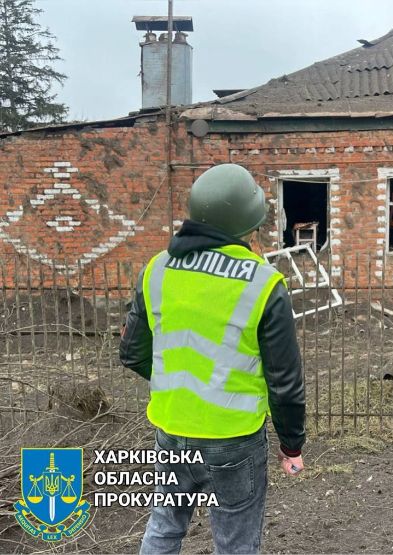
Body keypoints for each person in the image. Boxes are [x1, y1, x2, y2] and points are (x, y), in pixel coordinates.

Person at [119, 163, 305, 554]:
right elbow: (284, 383)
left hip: (171, 430)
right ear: (248, 225)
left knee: (165, 526)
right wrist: (292, 445)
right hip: (233, 440)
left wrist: (180, 387)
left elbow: (132, 353)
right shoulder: (263, 282)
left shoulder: (158, 269)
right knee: (235, 541)